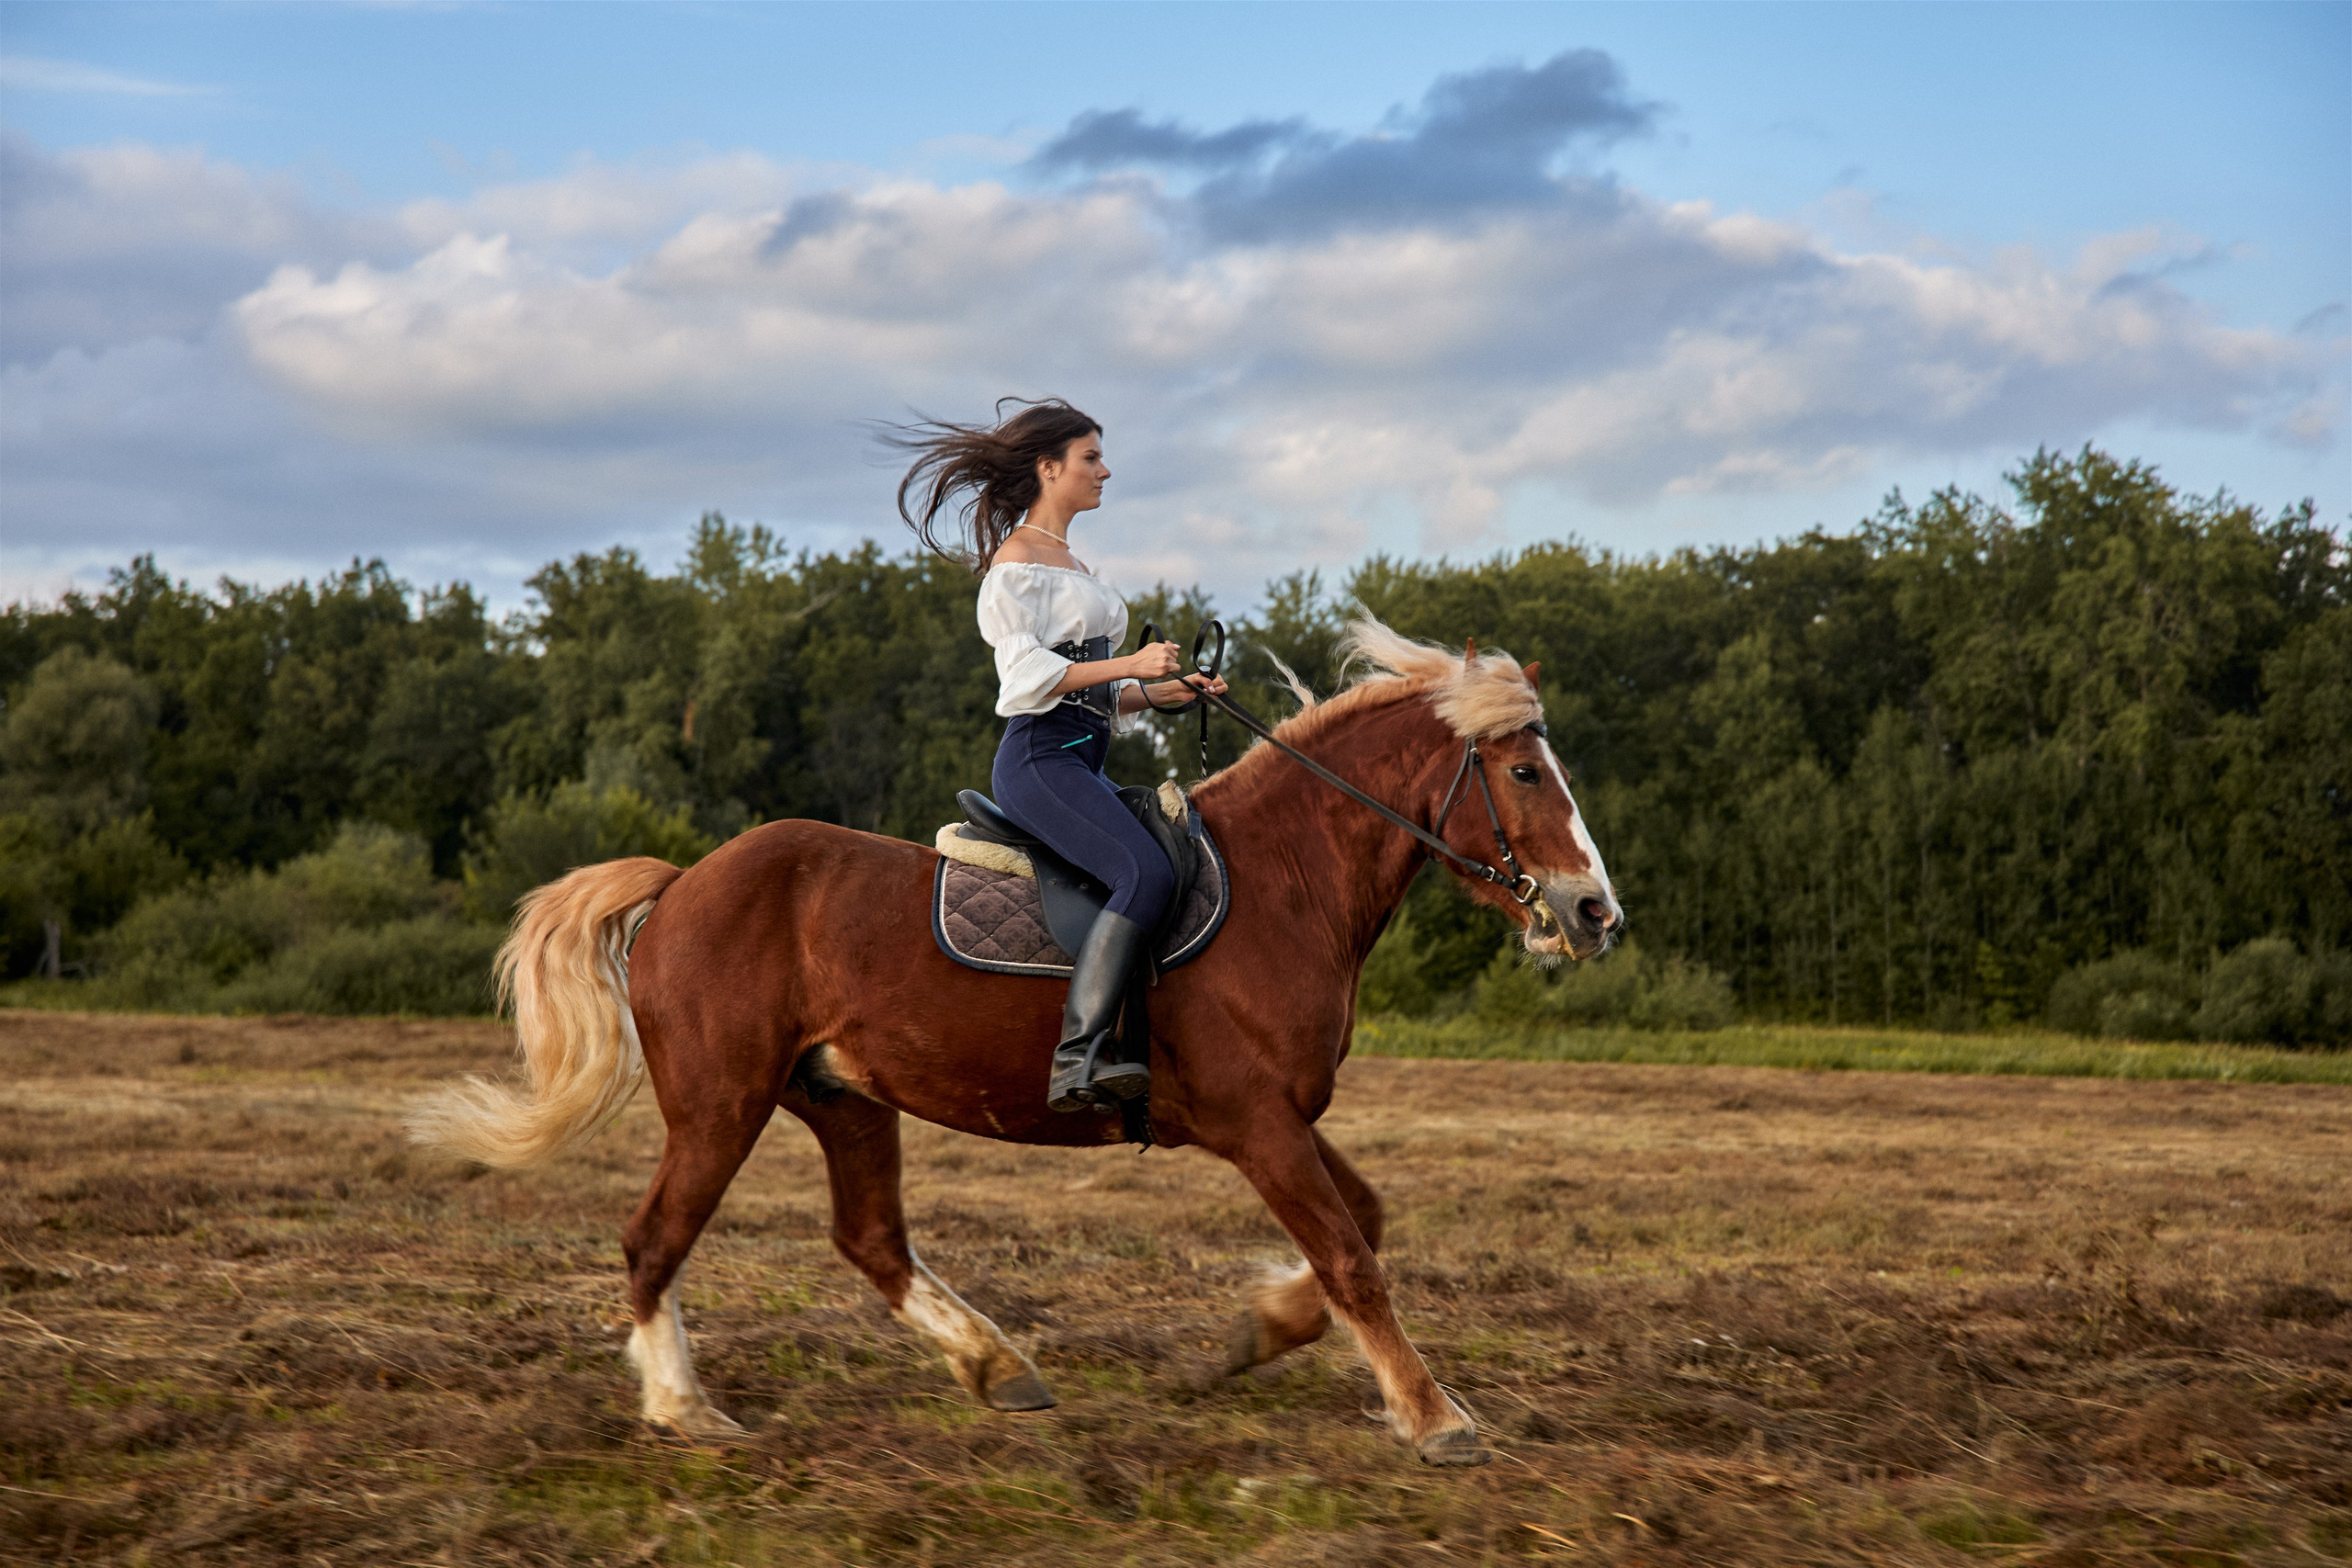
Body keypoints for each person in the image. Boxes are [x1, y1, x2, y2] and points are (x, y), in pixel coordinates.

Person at [894, 399, 1226, 1112]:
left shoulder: (1072, 564)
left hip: (1080, 756)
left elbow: (1097, 698)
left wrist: (1168, 691)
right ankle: (1077, 1060)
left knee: (1164, 861)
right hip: (1039, 765)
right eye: (1090, 458)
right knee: (1143, 870)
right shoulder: (1015, 564)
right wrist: (1130, 661)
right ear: (1049, 468)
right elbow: (1028, 682)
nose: (1105, 470)